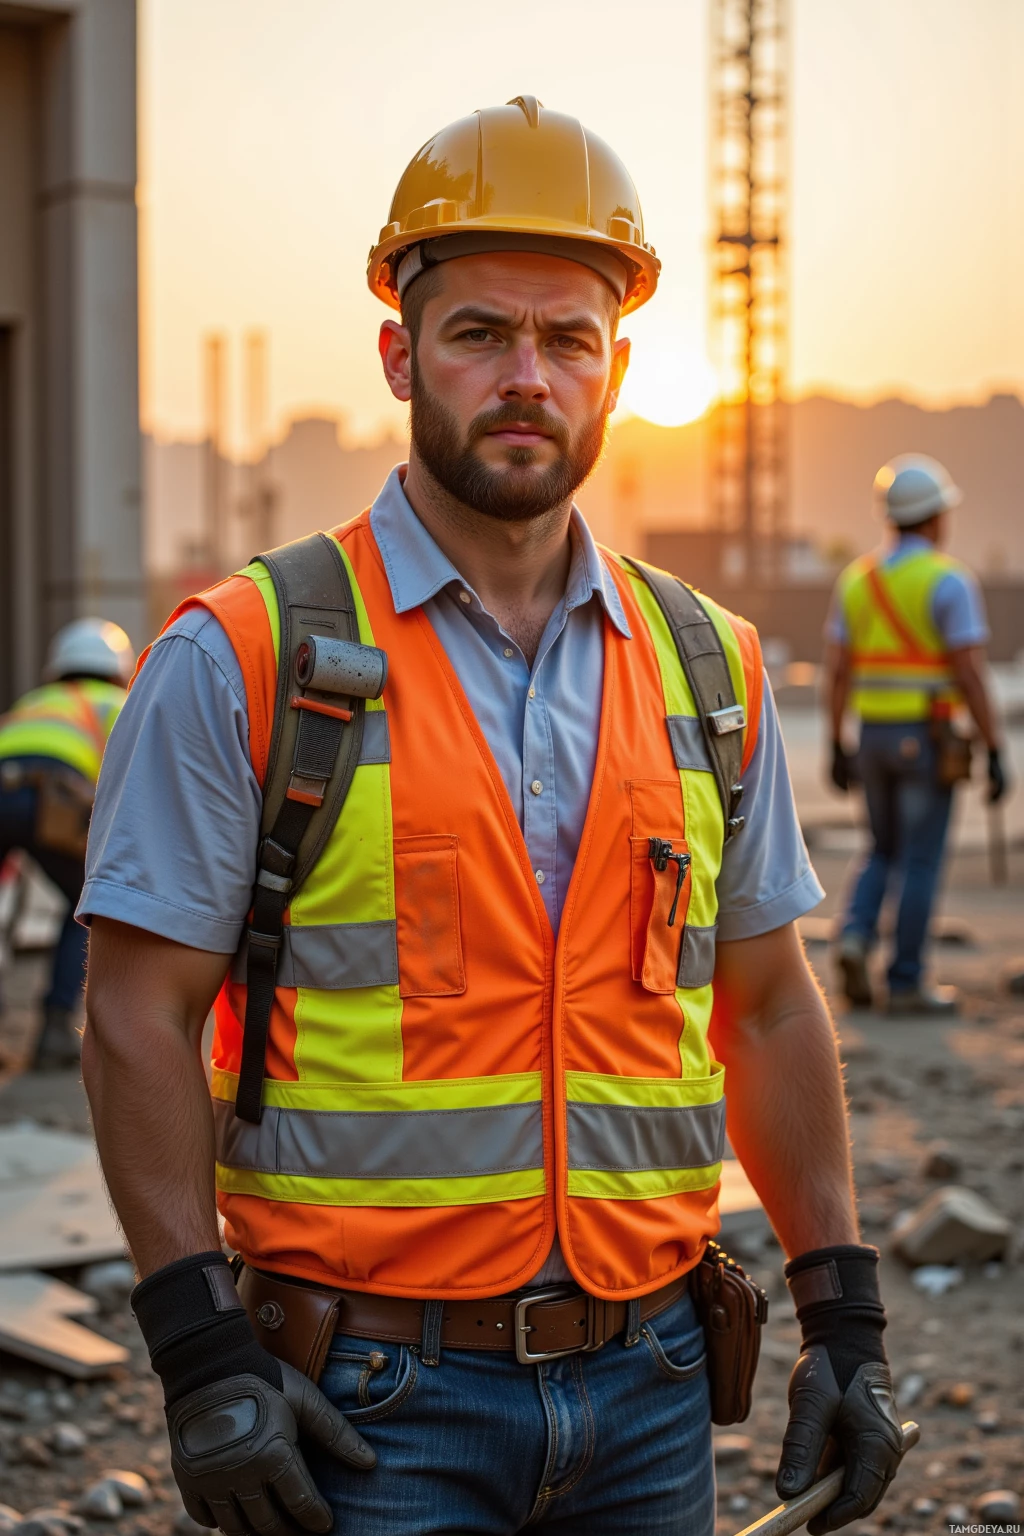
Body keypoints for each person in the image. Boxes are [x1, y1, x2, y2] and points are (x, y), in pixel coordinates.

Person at [80, 99, 904, 1536]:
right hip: (367, 1399)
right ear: (402, 353)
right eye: (478, 335)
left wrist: (844, 1312)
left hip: (652, 1386)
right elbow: (133, 1015)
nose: (526, 377)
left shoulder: (708, 667)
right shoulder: (247, 658)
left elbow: (768, 1007)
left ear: (618, 370)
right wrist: (200, 1348)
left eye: (567, 339)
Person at [825, 455, 1008, 1015]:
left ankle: (855, 935)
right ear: (933, 517)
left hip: (873, 738)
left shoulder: (857, 580)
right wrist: (997, 748)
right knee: (921, 860)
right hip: (927, 740)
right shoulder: (949, 581)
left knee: (882, 848)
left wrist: (836, 743)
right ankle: (905, 981)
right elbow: (971, 673)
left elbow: (837, 670)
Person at [0, 618, 133, 1069]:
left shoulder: (35, 701)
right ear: (118, 670)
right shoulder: (117, 702)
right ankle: (54, 1028)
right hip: (49, 796)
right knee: (83, 905)